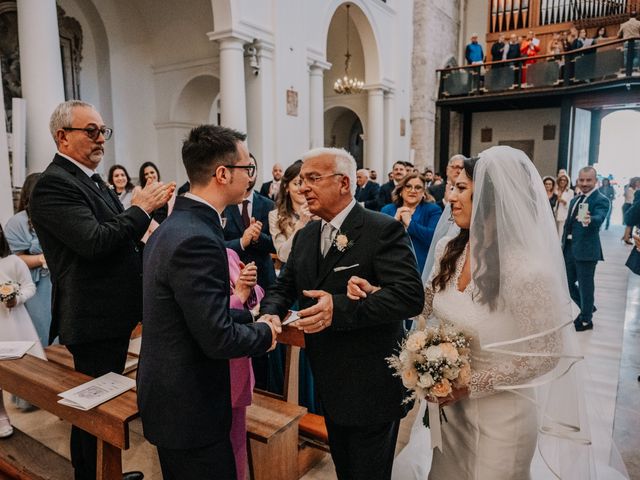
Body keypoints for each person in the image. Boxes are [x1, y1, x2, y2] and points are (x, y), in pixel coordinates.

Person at [390, 146, 592, 479]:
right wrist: (379, 293)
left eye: (461, 188)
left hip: (502, 417)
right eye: (452, 187)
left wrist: (469, 385)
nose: (449, 197)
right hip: (450, 413)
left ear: (489, 200)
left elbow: (547, 354)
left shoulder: (528, 271)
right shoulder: (448, 248)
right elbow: (425, 306)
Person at [30, 100, 174, 480]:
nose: (100, 140)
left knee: (106, 403)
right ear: (62, 136)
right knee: (92, 411)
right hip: (91, 316)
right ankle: (90, 476)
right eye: (90, 131)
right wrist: (141, 208)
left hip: (113, 311)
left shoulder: (91, 180)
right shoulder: (53, 185)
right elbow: (94, 242)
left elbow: (121, 241)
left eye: (103, 132)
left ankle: (106, 471)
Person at [259, 147, 424, 480]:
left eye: (313, 179)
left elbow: (410, 297)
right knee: (346, 471)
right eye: (302, 180)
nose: (303, 187)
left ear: (344, 183)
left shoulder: (382, 230)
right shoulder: (306, 236)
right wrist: (271, 313)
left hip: (371, 385)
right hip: (329, 382)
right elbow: (284, 286)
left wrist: (341, 306)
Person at [137, 125, 278, 480]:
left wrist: (246, 319)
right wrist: (266, 333)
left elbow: (194, 313)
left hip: (172, 397)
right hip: (190, 406)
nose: (251, 177)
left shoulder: (174, 226)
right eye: (248, 168)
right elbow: (217, 337)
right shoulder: (196, 238)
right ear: (222, 173)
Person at [0, 224, 46, 439]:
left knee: (22, 366)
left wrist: (15, 298)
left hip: (13, 323)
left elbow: (29, 287)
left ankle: (40, 400)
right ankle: (1, 416)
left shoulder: (13, 262)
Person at [5, 173, 52, 350]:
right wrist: (42, 259)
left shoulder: (54, 214)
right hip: (37, 285)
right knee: (42, 326)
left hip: (60, 280)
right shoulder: (18, 222)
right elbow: (13, 260)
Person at [562, 166, 611, 332]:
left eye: (588, 180)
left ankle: (586, 319)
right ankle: (586, 307)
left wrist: (591, 219)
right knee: (566, 284)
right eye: (581, 180)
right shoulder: (575, 200)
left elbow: (600, 217)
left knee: (585, 286)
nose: (584, 183)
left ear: (595, 181)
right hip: (569, 249)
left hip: (587, 251)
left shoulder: (601, 199)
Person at [223, 153, 276, 290]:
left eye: (251, 168)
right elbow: (217, 245)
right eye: (244, 169)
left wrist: (258, 237)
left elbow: (276, 245)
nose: (248, 173)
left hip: (264, 277)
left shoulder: (269, 205)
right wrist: (242, 241)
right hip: (232, 278)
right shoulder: (223, 205)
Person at [381, 173, 441, 273]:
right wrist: (395, 222)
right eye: (408, 186)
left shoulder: (433, 210)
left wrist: (410, 223)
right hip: (391, 264)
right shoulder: (387, 210)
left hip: (420, 267)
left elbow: (433, 237)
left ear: (423, 193)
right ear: (401, 190)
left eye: (418, 188)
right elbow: (380, 239)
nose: (412, 191)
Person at [268, 161, 312, 264]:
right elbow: (283, 255)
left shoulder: (320, 212)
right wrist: (301, 224)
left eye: (305, 183)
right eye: (296, 183)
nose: (302, 188)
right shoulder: (275, 215)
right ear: (286, 187)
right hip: (293, 273)